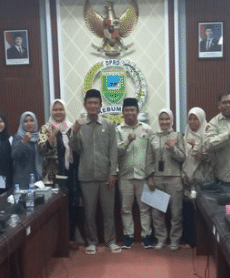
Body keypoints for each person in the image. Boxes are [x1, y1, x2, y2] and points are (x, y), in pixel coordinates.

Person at [70, 89, 120, 254]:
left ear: (100, 105)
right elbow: (75, 149)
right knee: (89, 213)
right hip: (87, 176)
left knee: (109, 212)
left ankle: (111, 241)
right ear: (85, 105)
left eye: (95, 103)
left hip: (106, 176)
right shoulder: (79, 125)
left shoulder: (109, 125)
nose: (92, 105)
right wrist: (75, 133)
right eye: (89, 103)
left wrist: (113, 173)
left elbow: (113, 151)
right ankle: (91, 242)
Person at [38, 100, 81, 247]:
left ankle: (70, 239)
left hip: (70, 173)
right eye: (55, 110)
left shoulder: (70, 127)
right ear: (51, 111)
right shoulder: (45, 128)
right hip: (52, 175)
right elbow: (42, 150)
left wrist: (76, 132)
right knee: (54, 208)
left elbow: (77, 149)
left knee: (71, 205)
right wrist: (53, 135)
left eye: (61, 109)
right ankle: (55, 242)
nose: (58, 112)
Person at [116, 98, 154, 249]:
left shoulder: (147, 129)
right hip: (125, 176)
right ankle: (128, 236)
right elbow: (116, 152)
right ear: (123, 113)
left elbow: (151, 154)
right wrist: (127, 141)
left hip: (143, 176)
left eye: (132, 110)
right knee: (125, 209)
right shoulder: (118, 130)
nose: (130, 113)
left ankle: (146, 236)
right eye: (127, 110)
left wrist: (151, 175)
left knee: (145, 208)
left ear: (137, 112)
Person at [147, 109, 185, 250]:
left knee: (176, 213)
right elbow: (149, 159)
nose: (164, 122)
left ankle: (175, 240)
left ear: (171, 120)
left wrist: (173, 148)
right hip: (157, 179)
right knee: (157, 213)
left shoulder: (178, 136)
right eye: (162, 119)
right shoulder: (153, 137)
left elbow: (183, 158)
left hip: (174, 179)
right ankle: (161, 239)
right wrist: (149, 176)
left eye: (167, 119)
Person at [182, 107, 213, 247]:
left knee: (201, 213)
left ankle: (202, 243)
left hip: (202, 181)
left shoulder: (207, 135)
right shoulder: (185, 134)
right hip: (187, 180)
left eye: (196, 119)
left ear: (201, 120)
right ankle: (189, 240)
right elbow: (182, 158)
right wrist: (184, 175)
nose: (192, 121)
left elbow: (207, 157)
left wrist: (196, 146)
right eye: (190, 118)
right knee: (188, 212)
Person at [12, 111, 43, 188]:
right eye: (25, 121)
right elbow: (14, 155)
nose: (29, 123)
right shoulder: (18, 137)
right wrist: (24, 142)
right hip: (23, 180)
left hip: (38, 178)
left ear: (35, 122)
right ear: (22, 123)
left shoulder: (40, 137)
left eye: (31, 121)